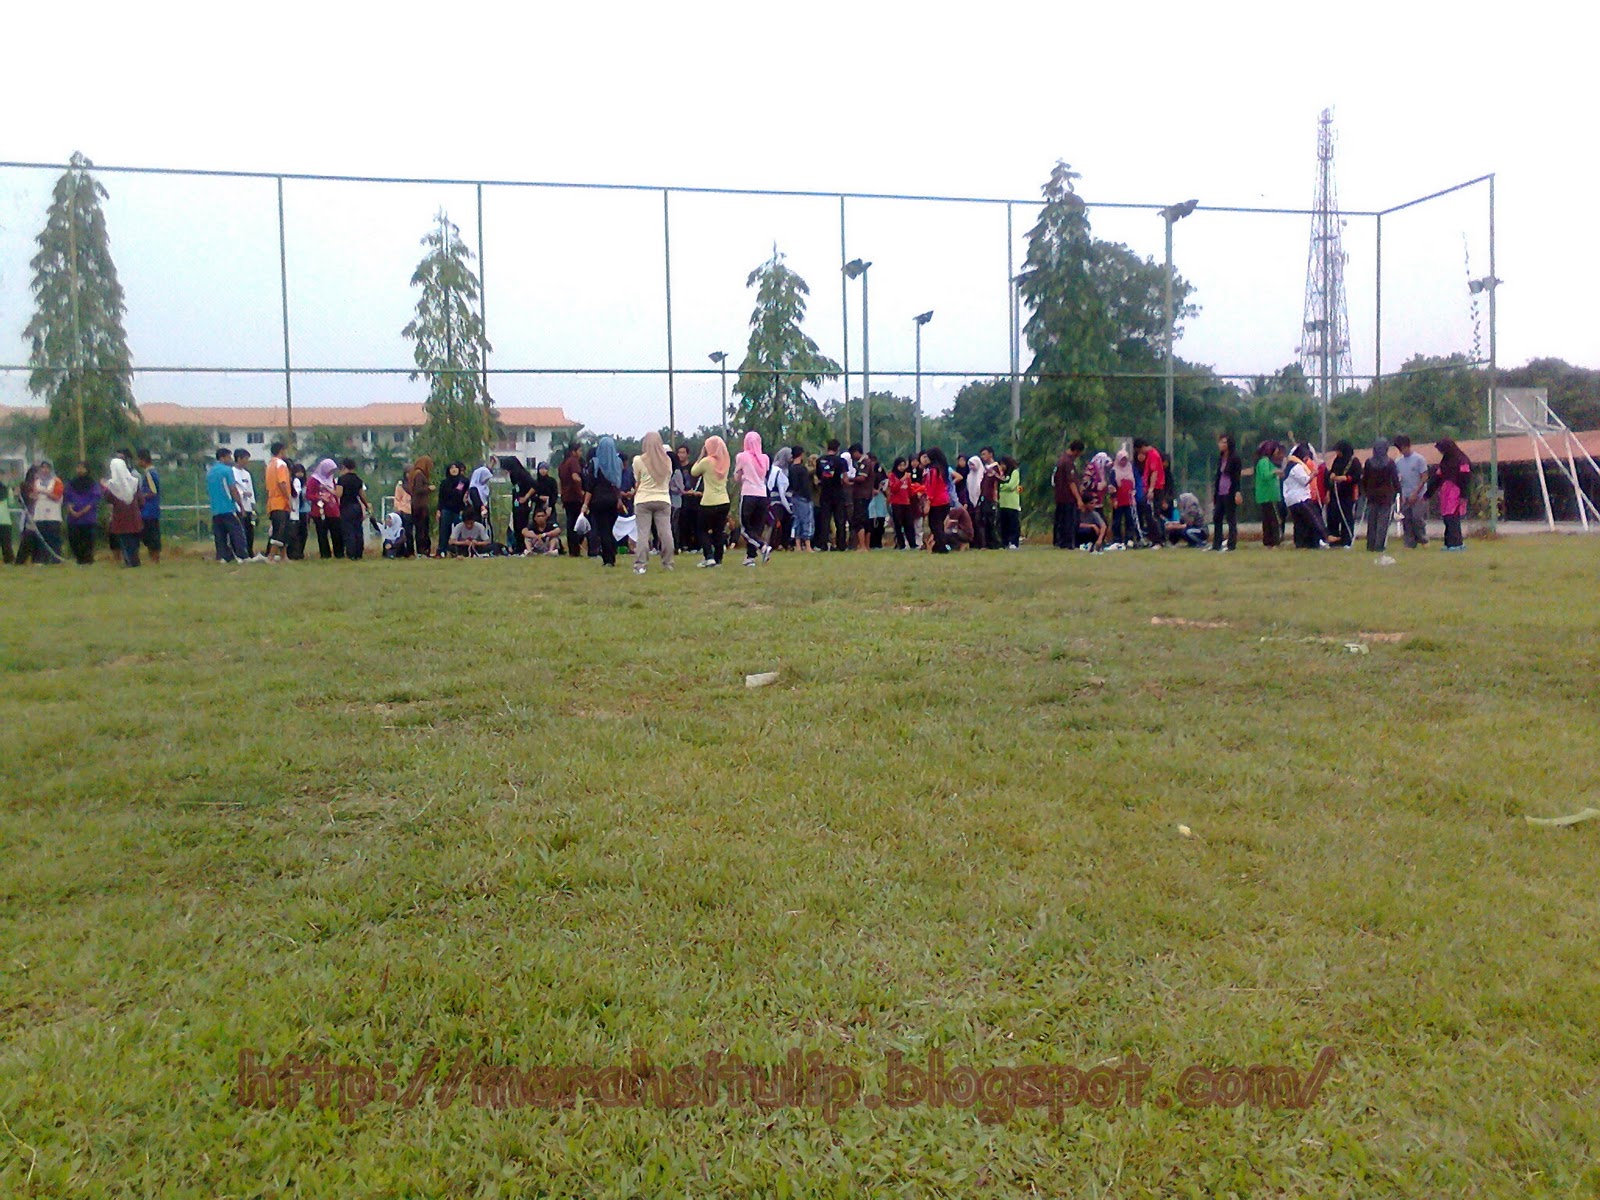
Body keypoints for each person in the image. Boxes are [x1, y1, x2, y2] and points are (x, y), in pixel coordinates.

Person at [631, 430, 675, 573]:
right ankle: (668, 563)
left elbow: (637, 479)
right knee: (666, 532)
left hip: (643, 500)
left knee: (643, 534)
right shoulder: (667, 460)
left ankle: (641, 564)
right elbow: (668, 478)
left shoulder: (638, 460)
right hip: (663, 499)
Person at [582, 435, 624, 567]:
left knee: (603, 530)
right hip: (613, 500)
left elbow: (590, 486)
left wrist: (585, 504)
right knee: (610, 528)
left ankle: (608, 559)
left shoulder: (595, 463)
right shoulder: (618, 463)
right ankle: (612, 554)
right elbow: (618, 484)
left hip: (598, 500)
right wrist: (619, 499)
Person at [733, 431, 772, 566]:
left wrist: (743, 476)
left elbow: (737, 477)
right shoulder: (765, 458)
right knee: (756, 527)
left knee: (745, 528)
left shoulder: (742, 456)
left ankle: (762, 546)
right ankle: (750, 557)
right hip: (762, 494)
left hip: (749, 494)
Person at [691, 435, 730, 568]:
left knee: (702, 529)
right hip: (724, 500)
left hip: (708, 501)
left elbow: (694, 472)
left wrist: (701, 456)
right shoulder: (725, 461)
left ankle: (709, 556)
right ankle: (718, 559)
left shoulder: (707, 461)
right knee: (718, 531)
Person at [1284, 443, 1332, 549]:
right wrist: (1313, 474)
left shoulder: (1290, 466)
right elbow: (1305, 480)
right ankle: (1325, 536)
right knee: (1314, 517)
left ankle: (1301, 543)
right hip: (1299, 498)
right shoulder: (1297, 467)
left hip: (1292, 499)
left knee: (1300, 523)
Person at [207, 448, 248, 562]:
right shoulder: (227, 470)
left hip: (215, 509)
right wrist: (240, 506)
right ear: (222, 457)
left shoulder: (210, 472)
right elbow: (232, 489)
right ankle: (242, 555)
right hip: (228, 507)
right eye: (229, 457)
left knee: (220, 535)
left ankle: (222, 556)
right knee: (237, 532)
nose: (230, 460)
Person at [103, 455, 144, 567]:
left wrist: (104, 486)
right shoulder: (134, 482)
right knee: (134, 542)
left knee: (125, 541)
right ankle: (135, 561)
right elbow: (141, 501)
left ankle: (129, 562)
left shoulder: (112, 486)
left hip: (120, 519)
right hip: (134, 517)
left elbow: (108, 499)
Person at [1433, 438, 1472, 551]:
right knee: (1446, 517)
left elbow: (1465, 478)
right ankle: (1448, 543)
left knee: (1453, 517)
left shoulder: (1462, 460)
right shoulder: (1445, 461)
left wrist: (1463, 495)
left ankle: (1456, 543)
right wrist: (1428, 494)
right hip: (1446, 491)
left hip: (1456, 491)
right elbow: (1437, 477)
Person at [1362, 438, 1400, 552]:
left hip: (1372, 495)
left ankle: (1370, 545)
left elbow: (1365, 479)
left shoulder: (1369, 462)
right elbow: (1395, 480)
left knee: (1372, 521)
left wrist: (1365, 492)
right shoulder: (1390, 463)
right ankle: (1379, 545)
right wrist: (1398, 492)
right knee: (1383, 522)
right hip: (1386, 495)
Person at [1393, 436, 1430, 549]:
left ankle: (1423, 539)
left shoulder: (1419, 459)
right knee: (1407, 520)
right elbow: (1398, 479)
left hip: (1419, 494)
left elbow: (1424, 476)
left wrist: (1416, 492)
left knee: (1417, 518)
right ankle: (1409, 543)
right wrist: (1402, 495)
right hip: (1406, 495)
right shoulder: (1398, 462)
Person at [815, 439, 851, 552]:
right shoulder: (841, 461)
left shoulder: (820, 461)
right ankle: (841, 545)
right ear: (837, 449)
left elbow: (819, 477)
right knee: (840, 519)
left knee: (825, 520)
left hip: (825, 493)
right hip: (838, 493)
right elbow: (845, 478)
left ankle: (823, 544)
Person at [63, 462, 102, 565]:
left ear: (87, 470)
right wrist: (71, 510)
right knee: (74, 540)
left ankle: (88, 560)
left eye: (82, 468)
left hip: (88, 518)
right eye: (78, 467)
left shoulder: (92, 483)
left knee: (88, 540)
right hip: (73, 518)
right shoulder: (71, 483)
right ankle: (79, 560)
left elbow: (95, 498)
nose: (80, 470)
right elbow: (66, 497)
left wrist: (84, 511)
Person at [307, 458, 344, 559]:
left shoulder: (331, 479)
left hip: (333, 510)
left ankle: (339, 553)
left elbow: (335, 492)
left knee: (336, 532)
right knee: (322, 533)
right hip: (320, 511)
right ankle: (325, 554)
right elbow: (309, 495)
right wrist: (319, 497)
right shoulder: (314, 480)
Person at [499, 455, 539, 549]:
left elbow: (535, 486)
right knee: (516, 525)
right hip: (516, 502)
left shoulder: (522, 474)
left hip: (523, 504)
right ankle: (517, 546)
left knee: (522, 525)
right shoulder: (513, 475)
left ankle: (524, 546)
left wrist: (526, 497)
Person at [1326, 441, 1359, 549]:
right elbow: (1333, 471)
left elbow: (1357, 477)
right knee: (1333, 517)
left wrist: (1345, 478)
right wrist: (1332, 475)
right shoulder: (1337, 460)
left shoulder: (1354, 462)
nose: (1337, 453)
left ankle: (1346, 540)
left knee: (1346, 517)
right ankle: (1334, 539)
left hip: (1347, 495)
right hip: (1335, 494)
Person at [1211, 435, 1242, 552]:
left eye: (1224, 442)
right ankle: (1216, 544)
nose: (1221, 445)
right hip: (1220, 492)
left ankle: (1231, 545)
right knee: (1217, 517)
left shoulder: (1235, 458)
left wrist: (1237, 492)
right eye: (1220, 442)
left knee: (1231, 519)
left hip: (1230, 492)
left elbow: (1237, 477)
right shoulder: (1221, 458)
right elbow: (1218, 476)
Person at [335, 458, 369, 561]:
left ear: (344, 467)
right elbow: (362, 495)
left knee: (348, 530)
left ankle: (351, 553)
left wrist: (330, 490)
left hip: (346, 507)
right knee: (358, 530)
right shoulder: (358, 479)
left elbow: (339, 494)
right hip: (356, 506)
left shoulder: (342, 479)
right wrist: (366, 505)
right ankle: (359, 552)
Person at [1052, 442, 1084, 550]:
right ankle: (1067, 543)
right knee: (1069, 521)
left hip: (1060, 496)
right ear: (1076, 451)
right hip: (1068, 497)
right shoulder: (1067, 462)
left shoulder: (1061, 460)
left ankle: (1060, 541)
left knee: (1061, 520)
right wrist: (1079, 499)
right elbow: (1071, 483)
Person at [671, 444, 700, 557]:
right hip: (679, 497)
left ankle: (695, 545)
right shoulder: (676, 468)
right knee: (681, 522)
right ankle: (683, 544)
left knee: (694, 521)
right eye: (679, 452)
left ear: (688, 454)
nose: (681, 455)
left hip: (692, 497)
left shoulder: (692, 467)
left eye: (683, 452)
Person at [264, 441, 292, 561]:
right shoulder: (281, 464)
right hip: (280, 501)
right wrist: (288, 498)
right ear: (281, 451)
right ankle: (271, 556)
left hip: (272, 501)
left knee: (283, 530)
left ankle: (283, 556)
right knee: (279, 530)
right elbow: (282, 483)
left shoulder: (270, 464)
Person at [232, 448, 261, 559]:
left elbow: (251, 489)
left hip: (248, 507)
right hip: (238, 507)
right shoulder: (232, 472)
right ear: (239, 459)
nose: (247, 461)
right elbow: (233, 488)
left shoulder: (247, 474)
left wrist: (253, 505)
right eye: (245, 459)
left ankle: (249, 552)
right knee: (239, 531)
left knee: (249, 531)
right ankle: (239, 553)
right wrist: (242, 493)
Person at [923, 447, 953, 554]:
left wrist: (928, 502)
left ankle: (942, 546)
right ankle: (938, 546)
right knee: (939, 525)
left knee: (934, 525)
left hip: (937, 501)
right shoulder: (943, 469)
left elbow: (932, 487)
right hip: (945, 500)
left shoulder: (933, 470)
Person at [558, 444, 587, 557]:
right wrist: (581, 491)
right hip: (575, 496)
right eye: (580, 450)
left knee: (570, 524)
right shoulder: (573, 461)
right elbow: (575, 477)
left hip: (566, 497)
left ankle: (572, 549)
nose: (581, 453)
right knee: (578, 523)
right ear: (573, 452)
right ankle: (576, 547)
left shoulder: (562, 464)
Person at [135, 448, 163, 564]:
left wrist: (141, 497)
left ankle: (154, 559)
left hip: (149, 511)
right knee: (150, 536)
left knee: (151, 536)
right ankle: (153, 558)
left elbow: (153, 491)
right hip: (150, 510)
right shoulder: (150, 472)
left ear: (143, 460)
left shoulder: (149, 474)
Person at [1254, 440, 1283, 548]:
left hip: (1266, 495)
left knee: (1267, 519)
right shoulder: (1264, 461)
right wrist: (1275, 472)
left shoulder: (1266, 462)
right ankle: (1274, 541)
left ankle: (1268, 541)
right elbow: (1265, 475)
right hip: (1268, 495)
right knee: (1273, 519)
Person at [786, 444, 814, 552]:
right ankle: (807, 545)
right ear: (801, 455)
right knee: (807, 521)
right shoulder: (802, 469)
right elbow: (805, 485)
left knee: (797, 520)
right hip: (804, 498)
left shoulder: (791, 469)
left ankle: (797, 545)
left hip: (795, 496)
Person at [436, 461, 468, 555]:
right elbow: (441, 498)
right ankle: (442, 550)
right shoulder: (444, 483)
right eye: (451, 468)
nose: (454, 470)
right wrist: (439, 510)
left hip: (459, 510)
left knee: (460, 530)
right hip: (446, 509)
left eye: (455, 468)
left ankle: (460, 550)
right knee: (444, 530)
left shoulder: (463, 481)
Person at [405, 455, 434, 557]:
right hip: (421, 506)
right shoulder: (419, 475)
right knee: (422, 529)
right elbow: (418, 489)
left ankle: (421, 550)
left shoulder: (414, 474)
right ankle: (423, 550)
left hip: (416, 505)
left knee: (419, 528)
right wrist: (429, 488)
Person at [766, 445, 794, 551]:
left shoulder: (787, 469)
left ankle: (784, 543)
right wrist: (787, 506)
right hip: (778, 500)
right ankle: (775, 543)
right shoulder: (777, 470)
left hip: (784, 499)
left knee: (786, 522)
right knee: (777, 521)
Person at [1111, 449, 1138, 547]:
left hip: (1129, 499)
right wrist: (1114, 498)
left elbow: (1134, 483)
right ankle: (1117, 539)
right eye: (1121, 460)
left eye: (1125, 460)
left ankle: (1129, 539)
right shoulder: (1114, 471)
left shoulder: (1131, 469)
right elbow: (1112, 486)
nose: (1123, 462)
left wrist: (1134, 493)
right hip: (1119, 499)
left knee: (1130, 520)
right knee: (1117, 520)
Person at [886, 458, 915, 550]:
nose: (902, 468)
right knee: (898, 524)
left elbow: (909, 489)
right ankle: (901, 544)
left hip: (906, 502)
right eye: (900, 465)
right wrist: (902, 479)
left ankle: (912, 544)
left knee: (909, 524)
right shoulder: (892, 475)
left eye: (903, 465)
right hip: (896, 503)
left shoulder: (907, 476)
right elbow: (893, 489)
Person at [997, 455, 1022, 549]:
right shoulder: (1002, 474)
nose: (1002, 466)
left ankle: (1014, 542)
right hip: (1002, 503)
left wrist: (1001, 487)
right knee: (1004, 524)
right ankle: (1004, 542)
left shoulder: (1015, 472)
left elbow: (1011, 486)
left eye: (1003, 464)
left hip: (1012, 503)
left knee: (1013, 523)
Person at [287, 461, 310, 560]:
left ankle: (300, 552)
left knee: (304, 532)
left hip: (304, 510)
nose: (300, 474)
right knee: (295, 533)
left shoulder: (306, 484)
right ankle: (294, 552)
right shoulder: (293, 482)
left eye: (301, 472)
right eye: (297, 472)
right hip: (295, 511)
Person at [0, 480, 11, 564]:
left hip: (4, 519)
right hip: (5, 519)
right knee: (6, 543)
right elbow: (11, 502)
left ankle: (8, 559)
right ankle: (8, 559)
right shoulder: (7, 489)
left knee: (6, 543)